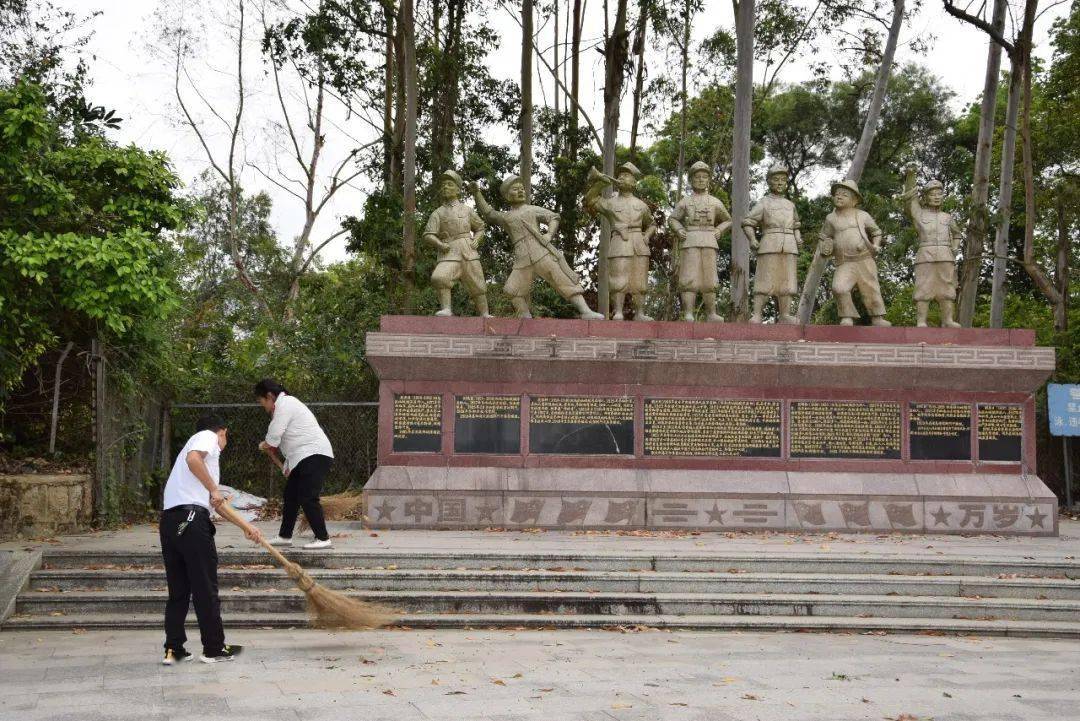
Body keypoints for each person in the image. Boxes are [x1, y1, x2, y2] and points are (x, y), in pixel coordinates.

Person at [160, 413, 261, 665]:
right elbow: (194, 459)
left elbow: (217, 504)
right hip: (192, 521)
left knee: (178, 591)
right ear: (222, 431)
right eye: (226, 436)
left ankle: (174, 650)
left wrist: (246, 527)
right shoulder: (207, 438)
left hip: (171, 522)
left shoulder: (190, 471)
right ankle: (214, 648)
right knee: (205, 587)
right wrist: (214, 489)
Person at [470, 175, 604, 320]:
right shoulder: (506, 217)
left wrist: (549, 234)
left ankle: (585, 311)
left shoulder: (531, 209)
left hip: (541, 253)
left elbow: (553, 217)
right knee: (511, 290)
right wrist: (476, 193)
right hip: (522, 259)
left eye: (522, 189)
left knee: (563, 279)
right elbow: (488, 213)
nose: (521, 191)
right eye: (515, 189)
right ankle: (524, 315)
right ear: (508, 196)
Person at [255, 379, 336, 549]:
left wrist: (265, 444)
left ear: (269, 396)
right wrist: (287, 465)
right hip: (303, 456)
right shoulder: (283, 406)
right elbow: (285, 441)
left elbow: (274, 436)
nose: (262, 405)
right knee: (291, 496)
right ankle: (285, 536)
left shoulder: (286, 404)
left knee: (308, 496)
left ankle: (323, 538)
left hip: (315, 454)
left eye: (261, 401)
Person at [583, 162, 656, 321]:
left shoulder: (641, 205)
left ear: (634, 182)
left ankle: (640, 313)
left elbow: (651, 224)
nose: (622, 178)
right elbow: (590, 200)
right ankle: (618, 312)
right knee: (618, 278)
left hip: (639, 242)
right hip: (619, 241)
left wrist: (647, 236)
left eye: (627, 176)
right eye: (620, 176)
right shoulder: (611, 202)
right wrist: (600, 183)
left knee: (640, 279)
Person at [818, 179, 891, 327]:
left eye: (844, 195)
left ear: (854, 200)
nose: (839, 197)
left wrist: (876, 245)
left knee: (870, 288)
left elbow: (876, 231)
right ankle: (847, 316)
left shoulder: (862, 215)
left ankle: (877, 317)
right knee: (839, 288)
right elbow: (824, 236)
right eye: (837, 194)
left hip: (864, 258)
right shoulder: (830, 218)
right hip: (844, 261)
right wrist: (825, 246)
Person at [668, 161, 731, 322]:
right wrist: (679, 229)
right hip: (691, 239)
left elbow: (728, 220)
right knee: (689, 277)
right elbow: (673, 219)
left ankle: (711, 313)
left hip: (709, 239)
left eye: (704, 177)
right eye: (697, 177)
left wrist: (719, 230)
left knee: (709, 278)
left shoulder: (715, 202)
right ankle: (688, 312)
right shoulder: (685, 201)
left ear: (709, 179)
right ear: (691, 180)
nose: (701, 180)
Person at [900, 164, 963, 328]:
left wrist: (955, 247)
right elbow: (909, 198)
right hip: (925, 255)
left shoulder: (947, 217)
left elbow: (957, 234)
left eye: (939, 194)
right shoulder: (919, 214)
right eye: (932, 194)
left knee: (947, 287)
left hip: (945, 255)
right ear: (926, 198)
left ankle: (948, 320)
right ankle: (921, 321)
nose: (936, 197)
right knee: (923, 286)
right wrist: (911, 175)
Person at [424, 169, 491, 318]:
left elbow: (480, 227)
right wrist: (440, 245)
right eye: (443, 185)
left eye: (449, 184)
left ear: (458, 190)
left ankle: (485, 314)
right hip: (449, 251)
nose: (445, 187)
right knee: (439, 277)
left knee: (477, 283)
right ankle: (446, 309)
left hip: (468, 249)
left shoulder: (467, 210)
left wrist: (477, 240)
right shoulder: (438, 213)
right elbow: (428, 235)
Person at [744, 164, 801, 324]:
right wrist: (752, 239)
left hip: (789, 244)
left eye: (783, 180)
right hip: (769, 242)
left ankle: (785, 314)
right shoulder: (764, 203)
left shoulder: (790, 205)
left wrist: (798, 237)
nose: (780, 183)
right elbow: (748, 221)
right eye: (776, 179)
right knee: (765, 278)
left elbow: (796, 224)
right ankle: (756, 314)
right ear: (769, 182)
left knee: (787, 280)